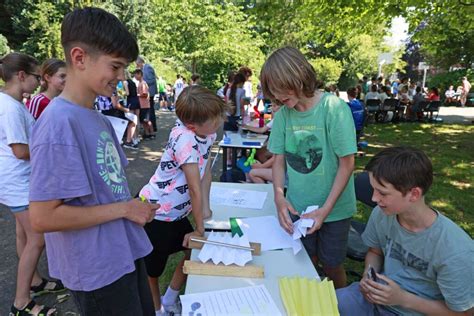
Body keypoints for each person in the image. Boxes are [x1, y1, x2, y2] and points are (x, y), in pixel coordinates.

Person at [28, 7, 159, 315]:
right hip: (97, 271)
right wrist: (125, 208)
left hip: (122, 253)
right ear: (79, 57)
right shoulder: (57, 124)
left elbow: (106, 188)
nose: (121, 76)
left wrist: (133, 206)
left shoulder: (96, 117)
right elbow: (43, 217)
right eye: (115, 66)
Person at [261, 47, 357, 289]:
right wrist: (279, 198)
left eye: (279, 90)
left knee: (332, 265)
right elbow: (279, 159)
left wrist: (325, 210)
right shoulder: (284, 116)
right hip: (298, 205)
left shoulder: (333, 109)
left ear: (296, 77)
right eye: (272, 93)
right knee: (306, 261)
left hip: (335, 210)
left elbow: (347, 163)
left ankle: (339, 303)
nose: (277, 98)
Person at [337, 147, 474, 316]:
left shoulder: (455, 251)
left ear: (414, 194)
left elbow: (464, 313)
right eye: (373, 189)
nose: (374, 198)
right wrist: (368, 276)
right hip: (374, 300)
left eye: (382, 192)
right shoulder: (382, 214)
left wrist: (402, 299)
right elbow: (375, 251)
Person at [139, 85, 226, 315]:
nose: (219, 121)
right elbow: (194, 188)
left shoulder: (207, 134)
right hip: (156, 212)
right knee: (152, 271)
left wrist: (205, 211)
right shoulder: (185, 141)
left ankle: (170, 299)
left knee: (192, 252)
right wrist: (198, 228)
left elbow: (205, 171)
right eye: (214, 118)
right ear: (191, 125)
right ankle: (157, 309)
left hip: (176, 212)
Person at [1, 52, 65, 316]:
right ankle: (21, 302)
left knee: (24, 234)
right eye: (37, 77)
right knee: (37, 237)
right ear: (21, 76)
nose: (40, 83)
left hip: (13, 180)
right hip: (17, 180)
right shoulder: (11, 107)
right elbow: (20, 150)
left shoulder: (10, 103)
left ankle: (35, 282)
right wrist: (50, 150)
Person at [136, 56, 157, 132]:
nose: (136, 65)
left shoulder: (147, 68)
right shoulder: (143, 69)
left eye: (137, 63)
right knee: (149, 111)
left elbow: (152, 80)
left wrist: (143, 83)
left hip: (149, 93)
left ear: (140, 62)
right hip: (147, 92)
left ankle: (152, 128)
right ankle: (150, 129)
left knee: (149, 112)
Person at [135, 69, 154, 139]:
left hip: (145, 105)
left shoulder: (143, 83)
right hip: (141, 105)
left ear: (139, 74)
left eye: (136, 75)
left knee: (147, 120)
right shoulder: (140, 83)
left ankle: (152, 133)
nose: (135, 76)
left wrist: (137, 95)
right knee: (143, 120)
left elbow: (145, 94)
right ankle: (147, 133)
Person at [124, 69, 141, 147]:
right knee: (137, 119)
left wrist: (121, 92)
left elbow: (127, 93)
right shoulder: (133, 82)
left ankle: (132, 139)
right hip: (136, 100)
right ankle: (136, 137)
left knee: (131, 121)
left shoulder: (125, 82)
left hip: (130, 101)